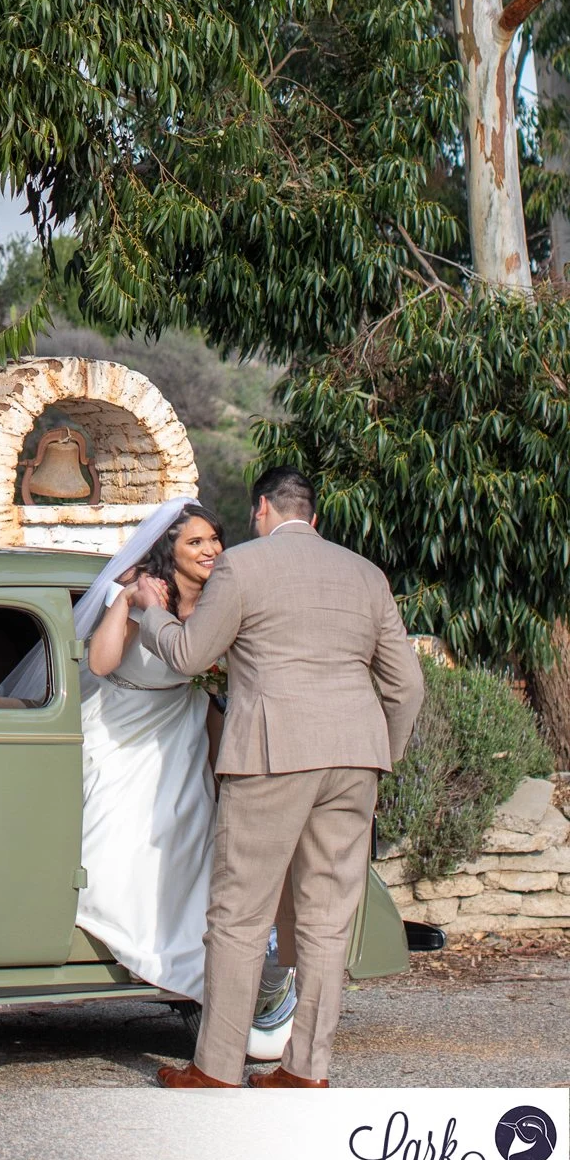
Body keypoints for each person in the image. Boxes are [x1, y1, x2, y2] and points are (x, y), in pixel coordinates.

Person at [130, 464, 424, 1089]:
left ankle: (215, 1069)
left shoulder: (244, 566)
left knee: (239, 914)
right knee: (325, 921)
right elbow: (408, 686)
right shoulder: (366, 575)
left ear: (262, 509)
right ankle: (305, 1071)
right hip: (355, 760)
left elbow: (190, 653)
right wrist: (380, 758)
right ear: (312, 518)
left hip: (271, 754)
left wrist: (150, 613)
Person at [72, 498, 226, 1004]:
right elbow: (99, 662)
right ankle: (110, 936)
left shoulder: (220, 597)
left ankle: (182, 956)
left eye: (213, 539)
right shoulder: (147, 589)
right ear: (170, 548)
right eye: (195, 542)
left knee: (182, 833)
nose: (209, 550)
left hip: (180, 727)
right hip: (124, 720)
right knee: (115, 830)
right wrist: (126, 602)